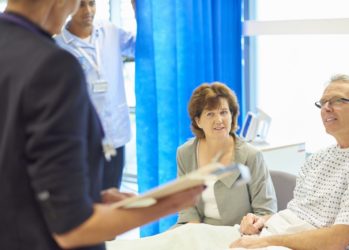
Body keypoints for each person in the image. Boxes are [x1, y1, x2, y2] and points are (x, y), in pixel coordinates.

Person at [0, 1, 203, 250]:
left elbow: (14, 165)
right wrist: (168, 203)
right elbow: (73, 229)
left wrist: (86, 198)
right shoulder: (53, 66)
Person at [231, 74, 349, 250]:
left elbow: (336, 241)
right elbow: (297, 214)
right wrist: (260, 221)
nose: (326, 108)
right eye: (323, 103)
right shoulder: (317, 159)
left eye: (337, 101)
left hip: (295, 245)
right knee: (200, 236)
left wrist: (265, 241)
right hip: (273, 235)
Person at [54, 0, 136, 190]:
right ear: (70, 7)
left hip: (115, 134)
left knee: (113, 194)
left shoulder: (110, 32)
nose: (88, 10)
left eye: (91, 4)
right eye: (81, 5)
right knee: (88, 198)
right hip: (82, 138)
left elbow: (140, 47)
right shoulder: (57, 45)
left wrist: (138, 10)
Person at [176, 82, 277, 226]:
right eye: (210, 114)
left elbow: (266, 211)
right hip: (197, 228)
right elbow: (187, 207)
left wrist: (252, 225)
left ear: (232, 116)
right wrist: (196, 235)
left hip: (237, 232)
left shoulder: (251, 156)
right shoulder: (185, 153)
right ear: (198, 121)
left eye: (223, 112)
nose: (219, 120)